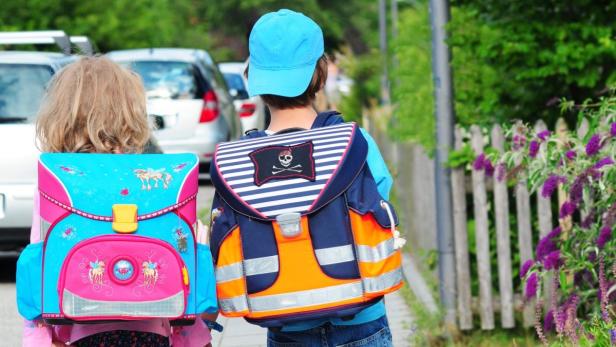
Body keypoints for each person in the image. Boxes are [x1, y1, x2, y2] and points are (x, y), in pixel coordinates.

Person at [226, 9, 398, 346]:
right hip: (361, 316)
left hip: (285, 323)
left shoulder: (240, 160)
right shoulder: (355, 142)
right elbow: (383, 204)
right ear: (319, 74)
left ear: (253, 78)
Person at [22, 56, 212, 347]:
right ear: (130, 112)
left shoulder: (57, 181)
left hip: (80, 330)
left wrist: (38, 339)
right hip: (152, 331)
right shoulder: (159, 180)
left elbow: (40, 266)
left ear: (60, 115)